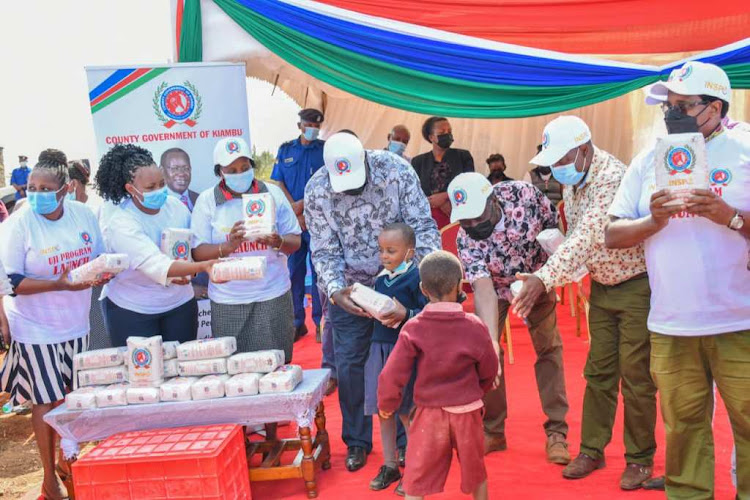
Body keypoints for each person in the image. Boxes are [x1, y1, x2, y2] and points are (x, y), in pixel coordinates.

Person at [605, 61, 750, 499]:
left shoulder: (745, 148)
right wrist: (653, 220)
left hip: (739, 320)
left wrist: (732, 217)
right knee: (683, 429)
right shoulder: (650, 159)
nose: (673, 114)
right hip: (671, 323)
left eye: (684, 105)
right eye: (669, 106)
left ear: (716, 106)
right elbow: (612, 234)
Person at [513, 116, 656, 489]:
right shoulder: (575, 180)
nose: (556, 168)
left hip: (636, 285)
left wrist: (543, 278)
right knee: (599, 373)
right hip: (603, 286)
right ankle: (592, 448)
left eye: (562, 159)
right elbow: (575, 238)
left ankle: (640, 459)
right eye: (553, 161)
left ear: (584, 149)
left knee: (637, 376)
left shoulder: (611, 177)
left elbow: (590, 237)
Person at [305, 132, 440, 472]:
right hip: (350, 291)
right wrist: (335, 289)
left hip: (401, 284)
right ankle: (357, 442)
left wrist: (420, 283)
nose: (349, 191)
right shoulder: (317, 188)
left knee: (402, 363)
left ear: (365, 158)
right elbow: (323, 249)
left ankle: (405, 443)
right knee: (350, 364)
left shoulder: (396, 170)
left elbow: (423, 227)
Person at [0, 149, 106, 500]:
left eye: (46, 188)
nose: (37, 194)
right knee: (45, 401)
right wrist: (59, 283)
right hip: (35, 327)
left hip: (75, 323)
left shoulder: (82, 215)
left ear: (65, 189)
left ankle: (67, 460)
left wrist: (100, 273)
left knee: (73, 400)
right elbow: (11, 282)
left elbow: (97, 260)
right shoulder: (20, 223)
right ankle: (50, 480)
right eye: (32, 187)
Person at [449, 172, 571, 463]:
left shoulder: (524, 195)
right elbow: (482, 288)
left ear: (493, 200)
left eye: (477, 218)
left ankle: (557, 432)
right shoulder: (466, 238)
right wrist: (490, 341)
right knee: (487, 354)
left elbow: (554, 228)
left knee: (548, 349)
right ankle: (493, 431)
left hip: (536, 280)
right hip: (495, 287)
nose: (472, 226)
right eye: (465, 221)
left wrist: (542, 278)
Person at [378, 250, 498, 500]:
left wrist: (387, 404)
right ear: (460, 283)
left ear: (422, 289)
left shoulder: (414, 327)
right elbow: (489, 368)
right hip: (467, 411)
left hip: (430, 412)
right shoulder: (475, 325)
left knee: (416, 475)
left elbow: (392, 373)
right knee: (476, 472)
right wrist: (480, 391)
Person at [95, 144, 215, 347]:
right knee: (144, 376)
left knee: (181, 373)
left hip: (180, 305)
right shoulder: (121, 222)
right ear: (131, 189)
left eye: (161, 184)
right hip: (133, 311)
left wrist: (192, 271)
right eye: (150, 188)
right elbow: (158, 265)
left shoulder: (177, 208)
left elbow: (193, 249)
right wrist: (204, 267)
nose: (159, 191)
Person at [192, 137, 302, 361]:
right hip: (228, 300)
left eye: (244, 167)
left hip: (272, 294)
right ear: (219, 172)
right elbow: (197, 252)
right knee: (234, 370)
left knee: (277, 365)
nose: (239, 173)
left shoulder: (272, 194)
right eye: (231, 170)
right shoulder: (207, 202)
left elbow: (295, 241)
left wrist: (277, 241)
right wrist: (228, 246)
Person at [366, 223, 427, 494]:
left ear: (410, 252)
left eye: (391, 250)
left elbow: (425, 315)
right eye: (381, 250)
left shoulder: (416, 279)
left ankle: (415, 469)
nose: (384, 256)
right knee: (384, 409)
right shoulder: (381, 279)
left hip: (405, 353)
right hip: (379, 350)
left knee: (406, 411)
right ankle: (390, 464)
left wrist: (406, 314)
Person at [272, 108, 325, 341]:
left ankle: (320, 323)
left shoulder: (325, 150)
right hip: (292, 222)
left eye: (316, 125)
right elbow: (278, 182)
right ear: (299, 125)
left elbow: (328, 183)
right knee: (294, 272)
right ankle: (296, 322)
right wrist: (295, 209)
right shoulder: (286, 150)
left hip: (317, 221)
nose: (312, 128)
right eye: (308, 124)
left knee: (319, 273)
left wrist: (305, 206)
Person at [411, 117, 474, 229]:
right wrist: (436, 203)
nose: (447, 134)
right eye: (441, 132)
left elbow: (470, 184)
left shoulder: (463, 156)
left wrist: (446, 197)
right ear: (431, 137)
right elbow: (414, 193)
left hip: (458, 216)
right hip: (429, 220)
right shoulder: (418, 162)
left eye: (449, 132)